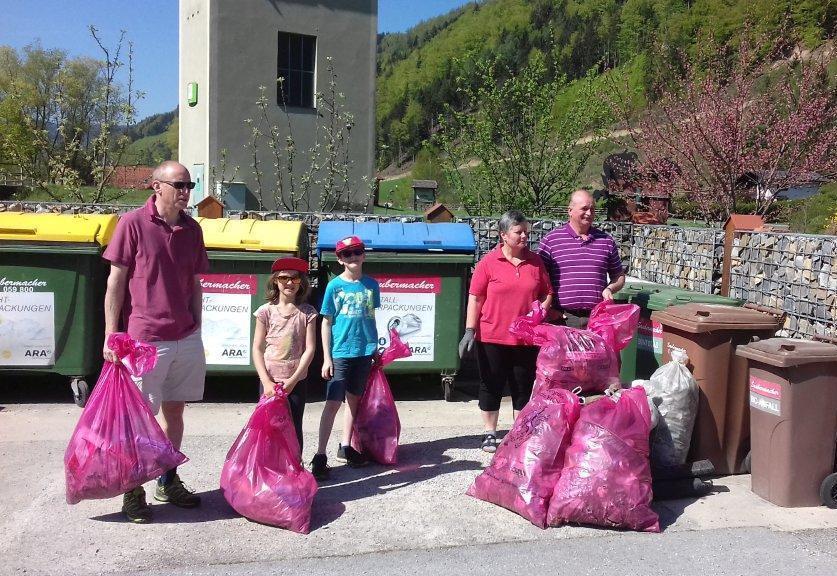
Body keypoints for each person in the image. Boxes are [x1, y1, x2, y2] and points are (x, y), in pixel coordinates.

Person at [102, 160, 209, 523]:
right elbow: (115, 281)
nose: (186, 192)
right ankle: (133, 491)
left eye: (189, 185)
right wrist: (111, 334)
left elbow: (195, 282)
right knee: (140, 420)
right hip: (145, 339)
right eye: (179, 185)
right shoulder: (132, 223)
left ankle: (168, 478)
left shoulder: (192, 229)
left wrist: (196, 327)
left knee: (175, 412)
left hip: (185, 337)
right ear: (157, 186)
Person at [458, 211, 553, 453]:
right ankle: (489, 433)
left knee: (522, 385)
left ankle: (518, 433)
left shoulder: (536, 262)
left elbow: (547, 292)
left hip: (525, 337)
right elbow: (475, 298)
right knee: (491, 384)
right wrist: (470, 330)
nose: (524, 237)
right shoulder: (488, 263)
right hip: (492, 335)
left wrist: (541, 311)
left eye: (526, 232)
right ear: (503, 235)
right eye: (518, 232)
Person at [311, 235, 380, 480]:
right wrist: (327, 357)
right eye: (346, 254)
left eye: (357, 252)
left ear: (364, 255)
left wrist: (374, 347)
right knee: (332, 402)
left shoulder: (371, 285)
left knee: (354, 401)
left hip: (364, 352)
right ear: (340, 259)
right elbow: (326, 322)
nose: (353, 257)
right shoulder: (334, 286)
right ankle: (320, 455)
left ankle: (346, 446)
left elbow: (370, 317)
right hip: (341, 352)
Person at [252, 257, 317, 453]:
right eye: (284, 278)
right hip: (270, 379)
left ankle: (294, 465)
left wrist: (293, 380)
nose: (289, 282)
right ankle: (270, 466)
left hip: (296, 380)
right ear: (275, 281)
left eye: (295, 278)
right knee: (269, 427)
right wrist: (266, 382)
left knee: (294, 425)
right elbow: (257, 348)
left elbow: (310, 349)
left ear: (301, 282)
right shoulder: (265, 311)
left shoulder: (308, 313)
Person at [537, 189, 625, 329]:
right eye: (584, 208)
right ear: (570, 211)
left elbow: (619, 275)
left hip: (597, 318)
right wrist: (548, 309)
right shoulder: (551, 240)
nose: (589, 213)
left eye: (592, 209)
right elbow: (537, 279)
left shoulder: (606, 241)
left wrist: (610, 288)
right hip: (562, 319)